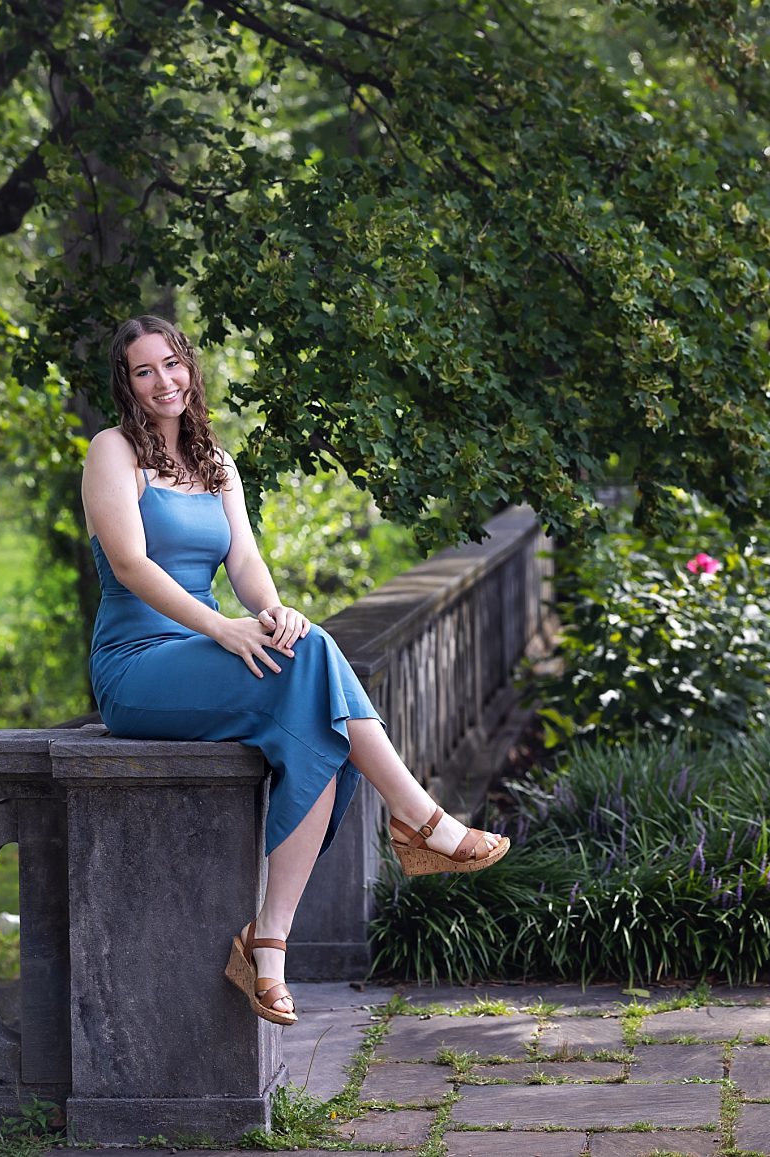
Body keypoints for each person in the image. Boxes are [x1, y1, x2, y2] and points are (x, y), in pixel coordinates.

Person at [82, 315, 511, 1026]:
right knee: (315, 670)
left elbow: (244, 564)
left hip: (207, 653)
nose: (165, 381)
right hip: (140, 664)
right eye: (144, 371)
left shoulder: (216, 461)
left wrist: (273, 610)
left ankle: (267, 946)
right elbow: (130, 563)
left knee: (314, 704)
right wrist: (222, 625)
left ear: (191, 367)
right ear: (125, 385)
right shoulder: (113, 451)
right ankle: (418, 819)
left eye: (173, 364)